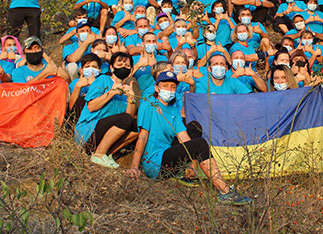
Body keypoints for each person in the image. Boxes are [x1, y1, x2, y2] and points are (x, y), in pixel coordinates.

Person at [129, 71, 252, 205]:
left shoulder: (173, 110)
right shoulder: (149, 104)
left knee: (194, 127)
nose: (169, 90)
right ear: (157, 88)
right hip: (156, 162)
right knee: (199, 144)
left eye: (173, 87)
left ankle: (185, 173)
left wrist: (193, 164)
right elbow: (143, 136)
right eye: (165, 86)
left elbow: (184, 138)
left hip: (169, 156)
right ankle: (225, 191)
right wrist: (134, 166)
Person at [75, 52, 139, 168]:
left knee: (137, 125)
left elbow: (129, 118)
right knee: (125, 119)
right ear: (111, 67)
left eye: (127, 65)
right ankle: (99, 154)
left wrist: (131, 98)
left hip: (108, 133)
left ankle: (108, 153)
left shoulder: (127, 89)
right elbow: (91, 106)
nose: (123, 67)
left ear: (130, 70)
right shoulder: (103, 80)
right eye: (119, 64)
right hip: (89, 131)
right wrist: (112, 92)